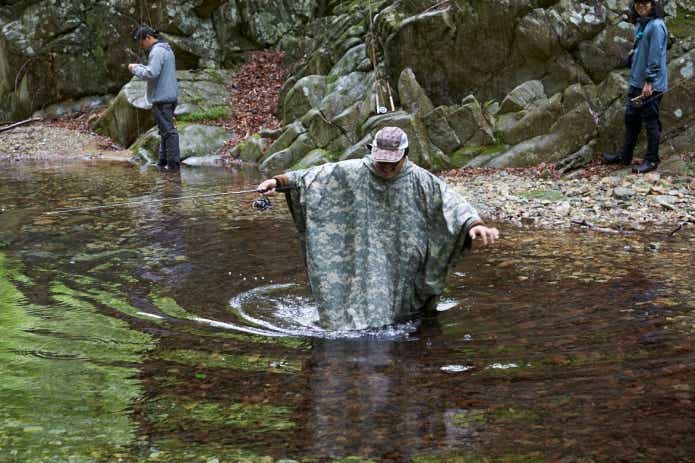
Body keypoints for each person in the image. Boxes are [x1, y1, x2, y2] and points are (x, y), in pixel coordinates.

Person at [257, 127, 499, 331]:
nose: (385, 168)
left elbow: (451, 203)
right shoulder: (352, 171)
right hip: (362, 258)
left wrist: (474, 225)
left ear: (405, 154)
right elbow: (310, 178)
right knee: (364, 314)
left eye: (392, 163)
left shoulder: (421, 180)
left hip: (403, 260)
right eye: (381, 161)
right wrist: (277, 182)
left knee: (402, 313)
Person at [604, 0, 668, 174]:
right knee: (631, 120)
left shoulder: (656, 26)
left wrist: (649, 81)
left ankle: (652, 160)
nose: (641, 6)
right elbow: (642, 47)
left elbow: (655, 56)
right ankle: (625, 156)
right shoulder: (642, 24)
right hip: (636, 82)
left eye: (645, 3)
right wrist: (633, 55)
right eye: (638, 3)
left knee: (651, 123)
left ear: (653, 4)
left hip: (650, 85)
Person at [128, 26, 181, 171]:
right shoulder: (166, 49)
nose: (142, 46)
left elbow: (151, 73)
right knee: (165, 132)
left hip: (162, 99)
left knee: (169, 132)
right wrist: (139, 66)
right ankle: (163, 163)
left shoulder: (157, 51)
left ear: (148, 38)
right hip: (169, 97)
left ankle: (173, 167)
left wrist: (134, 68)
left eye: (141, 43)